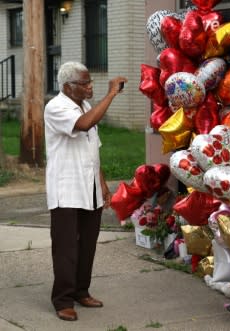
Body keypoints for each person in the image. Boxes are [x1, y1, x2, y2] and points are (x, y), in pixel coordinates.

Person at [44, 61, 127, 321]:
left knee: (87, 244)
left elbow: (94, 149)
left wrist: (102, 184)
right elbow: (82, 125)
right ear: (69, 87)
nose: (90, 86)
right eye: (85, 83)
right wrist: (111, 94)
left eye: (90, 82)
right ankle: (62, 300)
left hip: (89, 187)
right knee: (66, 247)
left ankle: (81, 290)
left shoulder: (86, 106)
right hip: (66, 189)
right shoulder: (56, 107)